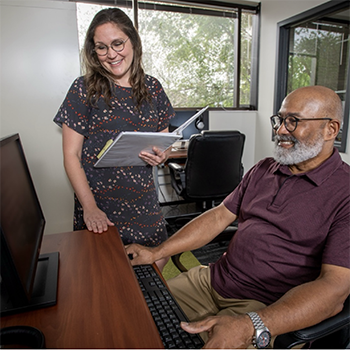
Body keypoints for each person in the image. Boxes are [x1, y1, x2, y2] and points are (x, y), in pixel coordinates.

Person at [126, 85, 350, 348]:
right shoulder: (265, 169)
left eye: (293, 121)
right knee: (130, 313)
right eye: (279, 120)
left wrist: (251, 324)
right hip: (213, 279)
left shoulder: (344, 193)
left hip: (264, 306)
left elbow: (334, 289)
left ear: (330, 130)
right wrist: (156, 252)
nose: (279, 130)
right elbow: (220, 216)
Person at [54, 8, 174, 270]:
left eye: (118, 43)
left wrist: (161, 154)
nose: (111, 54)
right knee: (105, 285)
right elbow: (71, 156)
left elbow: (163, 138)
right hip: (100, 210)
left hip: (144, 206)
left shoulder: (153, 88)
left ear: (133, 41)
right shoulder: (83, 89)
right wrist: (90, 207)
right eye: (101, 47)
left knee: (153, 275)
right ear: (93, 51)